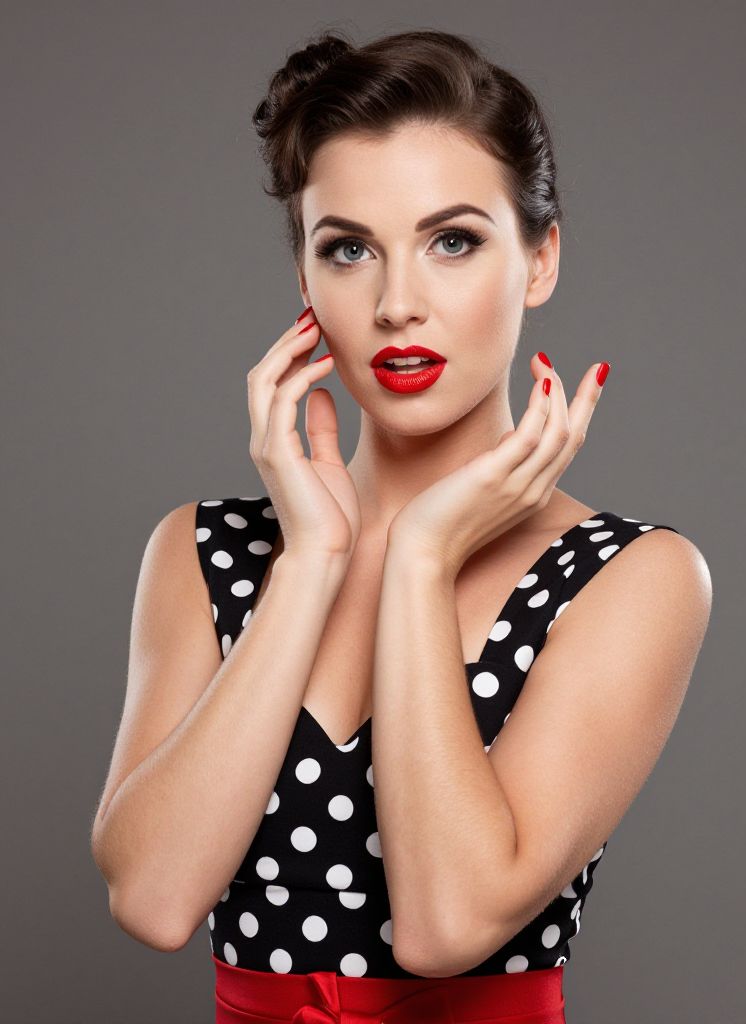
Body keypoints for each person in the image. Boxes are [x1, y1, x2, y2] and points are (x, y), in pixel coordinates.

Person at [90, 27, 713, 1023]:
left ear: (540, 257)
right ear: (305, 281)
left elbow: (445, 926)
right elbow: (155, 900)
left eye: (452, 240)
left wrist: (422, 558)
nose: (395, 304)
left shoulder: (631, 577)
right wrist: (312, 561)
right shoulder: (201, 552)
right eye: (347, 249)